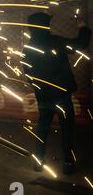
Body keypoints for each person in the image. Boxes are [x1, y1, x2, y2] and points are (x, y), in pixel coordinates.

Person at [22, 12, 91, 174]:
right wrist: (81, 25)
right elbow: (81, 44)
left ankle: (38, 161)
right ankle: (68, 163)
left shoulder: (28, 47)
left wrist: (38, 86)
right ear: (46, 26)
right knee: (67, 128)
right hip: (61, 95)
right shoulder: (56, 42)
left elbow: (27, 72)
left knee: (43, 127)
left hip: (44, 96)